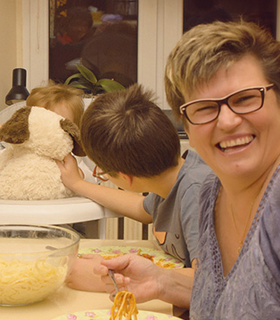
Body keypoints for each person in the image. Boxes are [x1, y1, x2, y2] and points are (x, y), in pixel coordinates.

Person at [96, 21, 280, 320]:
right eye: (204, 108)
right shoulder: (213, 190)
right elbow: (253, 303)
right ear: (187, 126)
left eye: (245, 98)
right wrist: (163, 282)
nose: (227, 120)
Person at [57, 84, 211, 292]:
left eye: (102, 172)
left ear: (125, 178)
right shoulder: (169, 181)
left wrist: (111, 278)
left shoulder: (196, 191)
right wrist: (77, 184)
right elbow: (141, 208)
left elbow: (207, 280)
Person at [0, 82, 94, 182]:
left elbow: (91, 182)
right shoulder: (15, 152)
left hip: (56, 210)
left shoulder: (69, 160)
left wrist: (78, 175)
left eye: (58, 125)